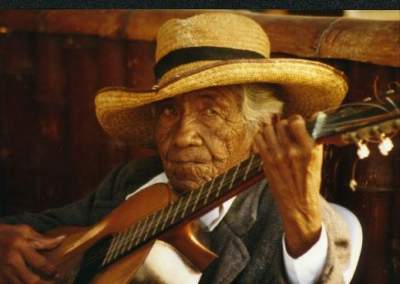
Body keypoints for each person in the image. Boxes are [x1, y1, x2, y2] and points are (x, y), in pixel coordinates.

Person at [0, 12, 353, 283]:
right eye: (170, 111)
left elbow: (322, 267)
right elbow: (43, 230)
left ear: (261, 126)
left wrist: (305, 228)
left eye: (211, 110)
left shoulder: (297, 217)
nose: (183, 135)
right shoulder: (135, 179)